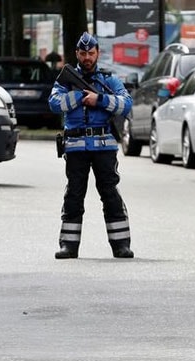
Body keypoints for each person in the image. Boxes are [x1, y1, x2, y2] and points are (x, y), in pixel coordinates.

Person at [48, 32, 134, 259]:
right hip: (76, 147)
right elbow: (55, 103)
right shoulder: (66, 81)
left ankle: (121, 244)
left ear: (97, 54)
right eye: (83, 53)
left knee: (110, 194)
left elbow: (126, 104)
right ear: (77, 53)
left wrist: (100, 100)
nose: (87, 57)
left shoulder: (109, 80)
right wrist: (78, 96)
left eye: (91, 53)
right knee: (74, 195)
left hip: (104, 147)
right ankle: (69, 245)